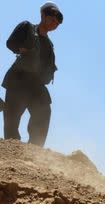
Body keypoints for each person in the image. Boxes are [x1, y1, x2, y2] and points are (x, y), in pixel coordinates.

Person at [2, 2, 63, 147]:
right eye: (52, 19)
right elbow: (10, 42)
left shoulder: (49, 44)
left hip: (36, 84)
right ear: (43, 15)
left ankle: (35, 150)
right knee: (12, 119)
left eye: (57, 23)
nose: (54, 24)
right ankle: (12, 149)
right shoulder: (27, 27)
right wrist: (21, 49)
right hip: (19, 79)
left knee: (44, 111)